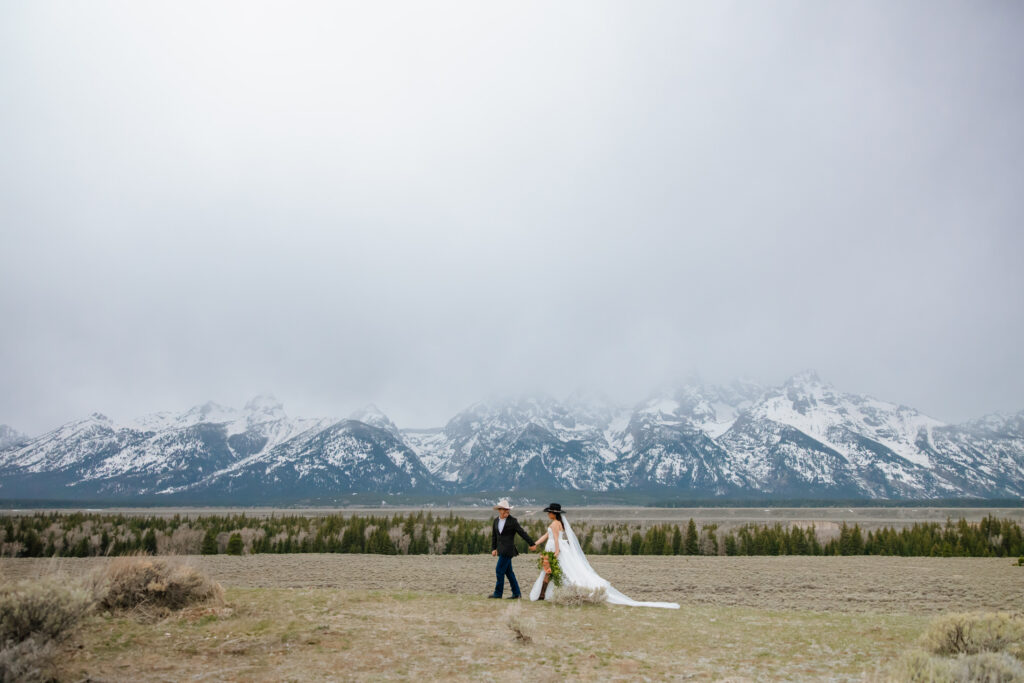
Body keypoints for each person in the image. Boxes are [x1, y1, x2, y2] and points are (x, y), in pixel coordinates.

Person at [528, 503, 679, 609]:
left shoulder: (555, 524)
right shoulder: (557, 523)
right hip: (557, 548)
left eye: (549, 512)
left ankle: (546, 595)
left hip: (556, 550)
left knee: (554, 572)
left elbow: (555, 539)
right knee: (555, 572)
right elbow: (547, 536)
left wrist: (556, 552)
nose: (547, 514)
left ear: (553, 513)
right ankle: (547, 594)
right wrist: (535, 543)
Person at [488, 498, 536, 600]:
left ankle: (498, 594)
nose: (507, 511)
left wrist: (531, 543)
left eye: (508, 509)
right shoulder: (495, 521)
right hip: (500, 550)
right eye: (504, 509)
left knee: (499, 570)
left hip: (508, 550)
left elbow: (522, 533)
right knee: (509, 573)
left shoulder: (513, 521)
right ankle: (517, 594)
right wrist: (493, 548)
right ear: (499, 510)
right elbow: (494, 536)